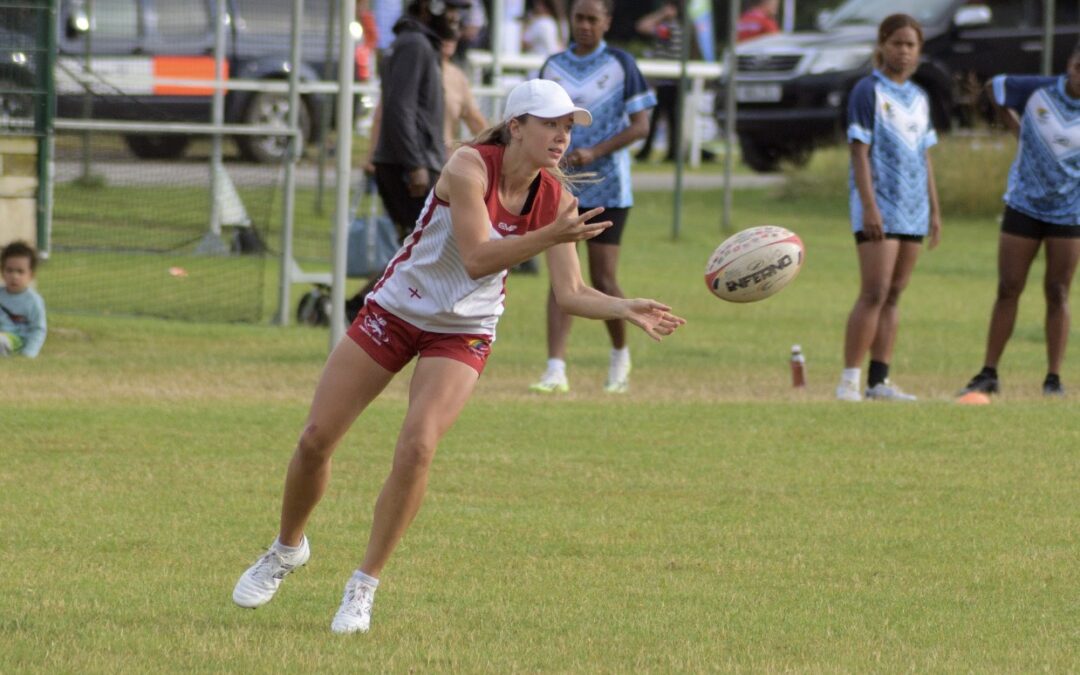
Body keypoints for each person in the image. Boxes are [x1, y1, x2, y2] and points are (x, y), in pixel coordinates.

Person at [231, 79, 685, 634]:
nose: (562, 136)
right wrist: (549, 236)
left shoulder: (556, 200)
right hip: (397, 310)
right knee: (315, 439)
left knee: (418, 445)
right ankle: (286, 549)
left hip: (464, 331)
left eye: (569, 127)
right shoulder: (469, 167)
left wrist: (625, 306)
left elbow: (570, 294)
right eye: (550, 124)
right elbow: (476, 257)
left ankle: (363, 585)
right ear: (516, 125)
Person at [530, 0, 656, 394]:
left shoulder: (621, 64)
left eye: (592, 18)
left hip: (609, 189)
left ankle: (620, 354)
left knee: (602, 278)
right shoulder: (552, 66)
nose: (584, 25)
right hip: (559, 186)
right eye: (578, 17)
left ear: (607, 22)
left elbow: (641, 126)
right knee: (561, 279)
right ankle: (555, 368)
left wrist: (595, 152)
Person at [960, 43, 1080, 398]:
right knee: (1008, 287)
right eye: (1078, 67)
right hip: (1024, 204)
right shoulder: (1038, 90)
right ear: (1069, 65)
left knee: (1058, 291)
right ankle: (988, 372)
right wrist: (1018, 129)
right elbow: (995, 87)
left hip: (1069, 212)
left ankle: (1053, 379)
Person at [835, 14, 942, 402]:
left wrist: (934, 209)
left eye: (911, 44)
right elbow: (859, 153)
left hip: (913, 208)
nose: (903, 51)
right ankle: (848, 380)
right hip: (880, 206)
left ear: (919, 51)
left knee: (895, 294)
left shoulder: (920, 98)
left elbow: (924, 157)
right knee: (874, 292)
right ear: (882, 45)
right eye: (896, 42)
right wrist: (870, 207)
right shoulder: (868, 91)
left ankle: (879, 381)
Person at [348, 0, 471, 318]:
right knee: (427, 248)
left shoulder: (419, 44)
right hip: (408, 167)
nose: (458, 19)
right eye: (453, 10)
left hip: (416, 162)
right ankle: (364, 309)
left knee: (420, 249)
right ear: (429, 8)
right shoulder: (414, 44)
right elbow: (399, 108)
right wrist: (415, 164)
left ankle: (370, 309)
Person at [634, 1, 686, 162]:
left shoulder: (668, 28)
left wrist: (661, 15)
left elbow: (642, 26)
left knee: (660, 118)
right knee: (670, 118)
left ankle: (649, 151)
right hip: (671, 81)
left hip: (668, 81)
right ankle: (671, 153)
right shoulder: (678, 27)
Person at [0, 240, 47, 358]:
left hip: (17, 340)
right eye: (9, 270)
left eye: (20, 272)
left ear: (31, 275)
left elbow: (38, 330)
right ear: (2, 271)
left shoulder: (34, 301)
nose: (14, 276)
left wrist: (29, 354)